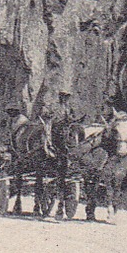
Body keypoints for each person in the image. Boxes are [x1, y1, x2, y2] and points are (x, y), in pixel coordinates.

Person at [48, 91, 81, 220]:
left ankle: (72, 154)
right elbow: (50, 118)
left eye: (67, 97)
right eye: (63, 97)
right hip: (55, 133)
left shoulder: (69, 108)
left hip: (66, 134)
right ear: (60, 97)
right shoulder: (55, 107)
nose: (65, 99)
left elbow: (72, 119)